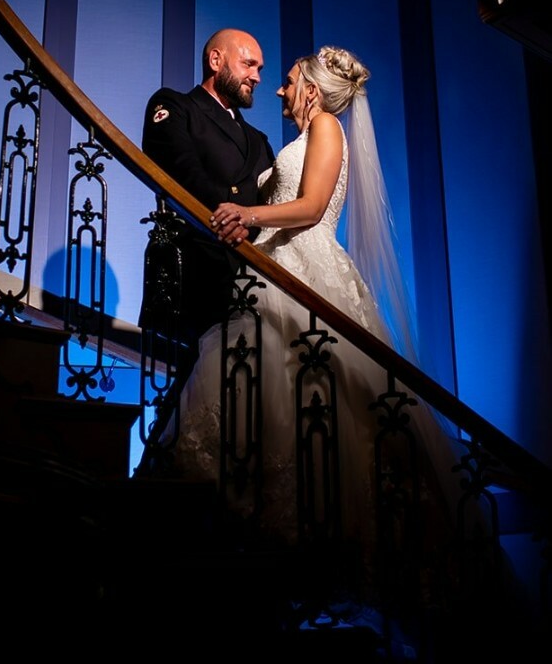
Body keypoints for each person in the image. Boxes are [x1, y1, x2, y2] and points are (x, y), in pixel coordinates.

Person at [161, 45, 518, 634]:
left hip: (308, 262)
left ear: (311, 87)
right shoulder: (300, 132)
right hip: (275, 265)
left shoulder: (327, 127)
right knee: (274, 392)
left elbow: (312, 206)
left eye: (288, 78)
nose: (277, 87)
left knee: (331, 397)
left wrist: (251, 217)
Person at [139, 27, 275, 353]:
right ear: (216, 60)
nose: (256, 77)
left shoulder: (258, 140)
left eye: (260, 69)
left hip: (248, 278)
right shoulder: (175, 105)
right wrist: (235, 216)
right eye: (248, 65)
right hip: (193, 270)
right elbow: (181, 171)